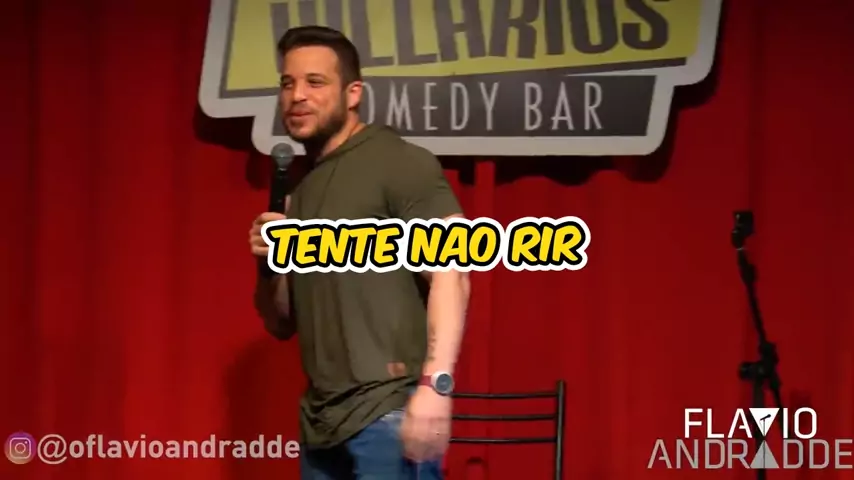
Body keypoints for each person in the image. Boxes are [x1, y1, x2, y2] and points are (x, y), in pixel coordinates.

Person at [247, 25, 470, 479]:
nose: (296, 96)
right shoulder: (302, 193)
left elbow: (453, 273)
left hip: (386, 412)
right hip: (320, 424)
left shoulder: (396, 161)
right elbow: (280, 322)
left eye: (315, 82)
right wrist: (268, 263)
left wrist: (436, 386)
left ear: (353, 94)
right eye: (287, 83)